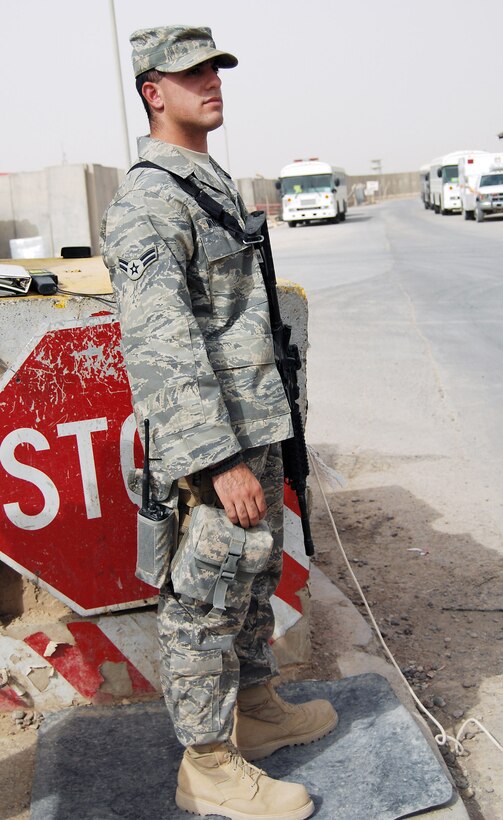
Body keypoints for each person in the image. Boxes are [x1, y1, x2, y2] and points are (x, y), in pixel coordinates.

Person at [101, 25, 337, 820]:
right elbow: (160, 345)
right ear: (152, 92)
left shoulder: (208, 180)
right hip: (217, 443)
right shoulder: (149, 198)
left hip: (255, 424)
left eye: (213, 68)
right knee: (203, 597)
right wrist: (215, 460)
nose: (210, 81)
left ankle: (257, 709)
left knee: (252, 576)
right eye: (188, 72)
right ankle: (205, 763)